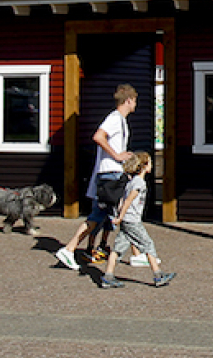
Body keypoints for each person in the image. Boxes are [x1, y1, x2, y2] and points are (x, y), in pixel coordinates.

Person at [55, 84, 138, 270]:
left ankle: (136, 253)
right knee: (102, 215)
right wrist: (117, 156)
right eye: (134, 101)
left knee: (111, 215)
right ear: (128, 100)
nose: (135, 105)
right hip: (110, 173)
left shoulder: (120, 120)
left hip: (114, 172)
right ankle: (69, 249)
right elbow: (98, 136)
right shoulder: (114, 118)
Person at [97, 151, 175, 289]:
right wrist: (120, 217)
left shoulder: (131, 181)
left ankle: (108, 276)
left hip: (127, 220)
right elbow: (128, 201)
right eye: (150, 163)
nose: (152, 165)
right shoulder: (139, 183)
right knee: (148, 244)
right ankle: (158, 275)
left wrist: (119, 215)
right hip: (132, 221)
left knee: (118, 248)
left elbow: (122, 200)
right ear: (144, 166)